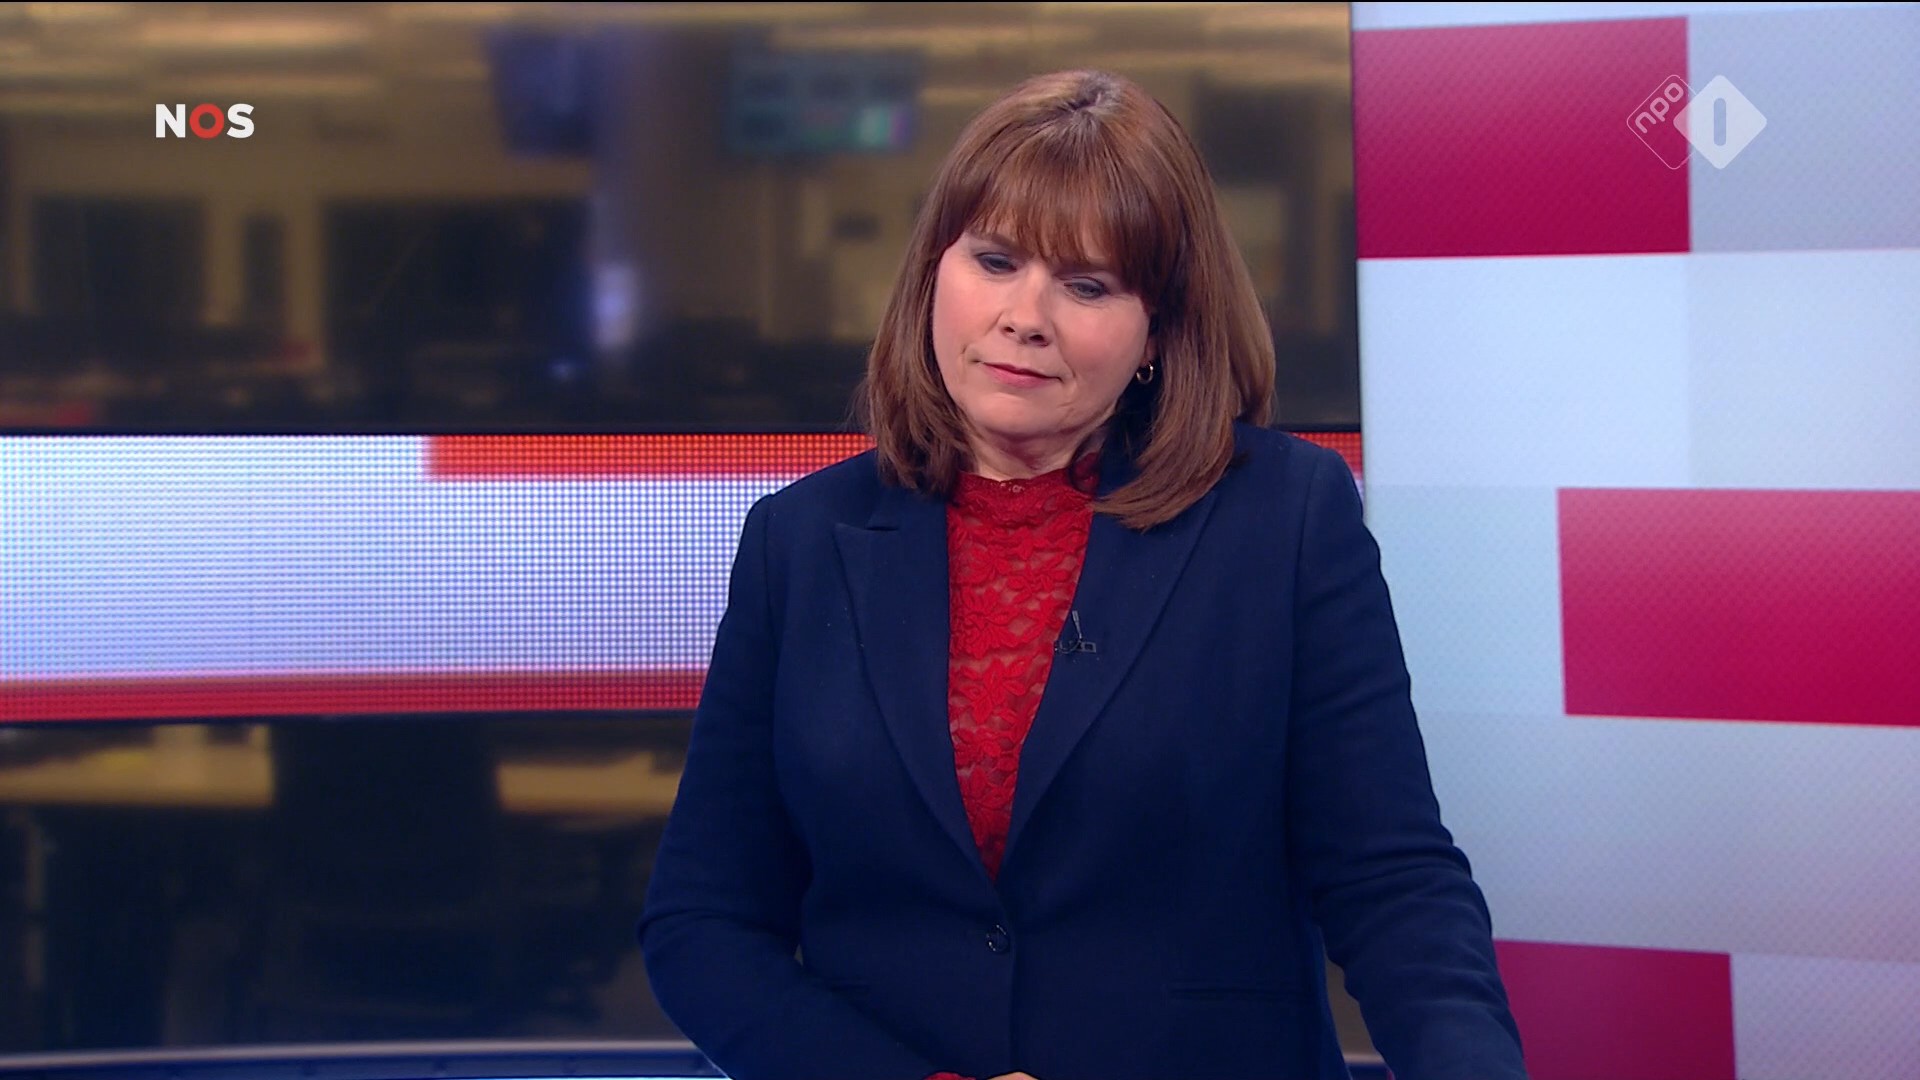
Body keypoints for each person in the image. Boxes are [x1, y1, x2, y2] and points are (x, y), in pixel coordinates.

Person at [638, 69, 1527, 1080]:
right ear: (934, 272)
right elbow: (703, 923)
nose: (1025, 316)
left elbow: (1393, 880)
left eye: (1088, 285)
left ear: (1159, 329)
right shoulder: (799, 541)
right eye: (996, 260)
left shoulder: (1284, 518)